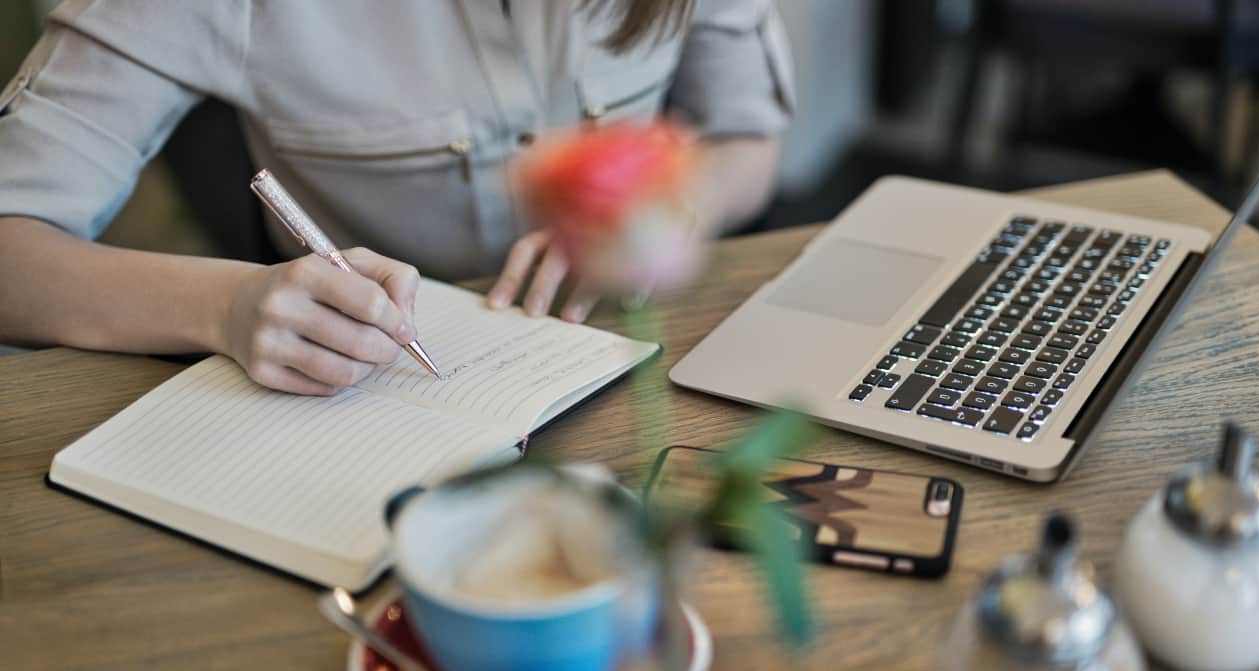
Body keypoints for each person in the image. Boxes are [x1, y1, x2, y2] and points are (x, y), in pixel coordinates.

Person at [0, 0, 794, 395]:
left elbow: (749, 139)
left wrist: (675, 209)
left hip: (639, 361)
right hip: (371, 392)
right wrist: (225, 305)